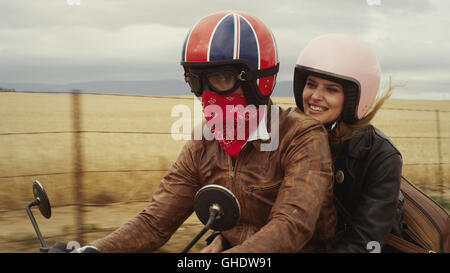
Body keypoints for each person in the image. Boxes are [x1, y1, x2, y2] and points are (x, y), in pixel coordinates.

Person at [53, 11, 337, 253]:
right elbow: (155, 222)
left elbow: (290, 227)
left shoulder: (300, 136)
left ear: (258, 81)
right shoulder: (204, 142)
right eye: (196, 81)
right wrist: (92, 250)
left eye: (222, 79)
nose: (206, 94)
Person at [292, 33, 404, 252]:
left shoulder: (381, 156)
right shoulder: (290, 136)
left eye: (331, 89)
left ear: (355, 99)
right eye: (311, 84)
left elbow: (365, 241)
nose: (315, 95)